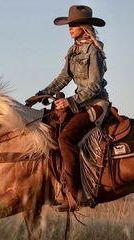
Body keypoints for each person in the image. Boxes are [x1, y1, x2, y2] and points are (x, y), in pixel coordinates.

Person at [26, 5, 110, 211]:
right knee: (49, 128)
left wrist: (70, 102)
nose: (70, 28)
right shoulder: (72, 50)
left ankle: (77, 194)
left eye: (73, 24)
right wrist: (41, 94)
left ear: (84, 26)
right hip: (79, 102)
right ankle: (56, 187)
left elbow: (95, 85)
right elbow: (64, 77)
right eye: (69, 24)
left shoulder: (94, 51)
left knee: (66, 138)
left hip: (96, 104)